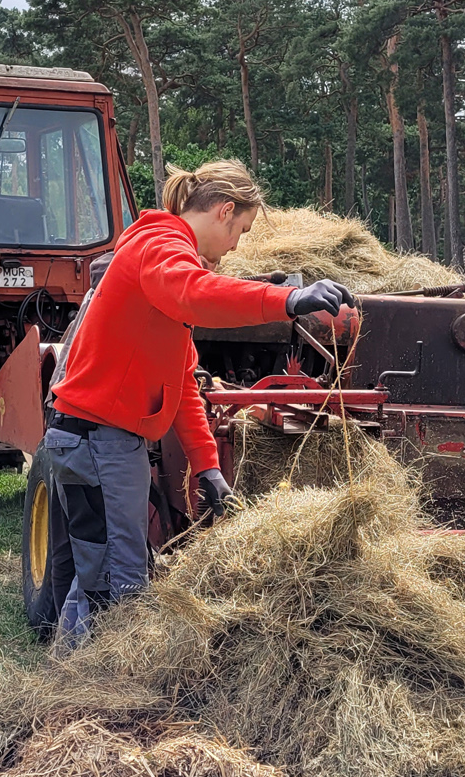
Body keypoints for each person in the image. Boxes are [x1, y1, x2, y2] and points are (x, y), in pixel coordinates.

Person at [45, 158, 355, 651]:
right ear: (224, 211)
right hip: (99, 442)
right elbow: (194, 294)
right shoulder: (159, 246)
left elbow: (183, 382)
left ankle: (71, 687)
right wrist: (287, 298)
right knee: (117, 588)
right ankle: (96, 700)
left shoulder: (165, 260)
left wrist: (207, 467)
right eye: (241, 230)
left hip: (102, 442)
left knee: (100, 578)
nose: (237, 245)